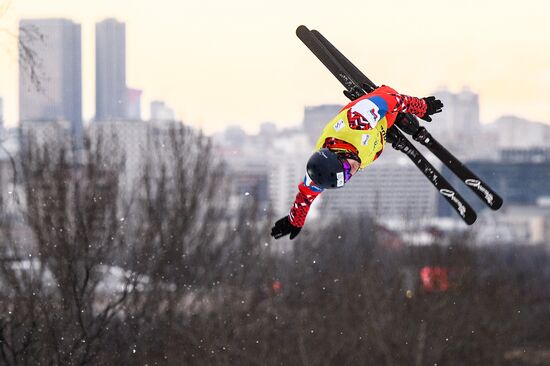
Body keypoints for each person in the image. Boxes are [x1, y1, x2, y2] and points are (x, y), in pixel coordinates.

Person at [270, 85, 443, 240]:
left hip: (376, 113)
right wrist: (295, 221)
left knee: (389, 95)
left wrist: (422, 107)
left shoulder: (357, 121)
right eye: (345, 177)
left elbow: (391, 100)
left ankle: (394, 118)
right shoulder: (323, 172)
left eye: (345, 168)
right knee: (367, 151)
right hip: (372, 139)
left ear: (338, 154)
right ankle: (387, 132)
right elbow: (305, 197)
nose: (350, 172)